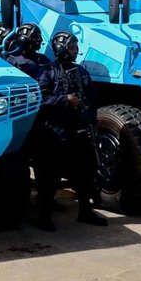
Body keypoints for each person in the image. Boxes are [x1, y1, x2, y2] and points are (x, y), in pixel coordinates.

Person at [33, 31, 107, 231]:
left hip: (79, 132)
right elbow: (41, 100)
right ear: (61, 49)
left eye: (75, 47)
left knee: (85, 175)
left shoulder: (81, 71)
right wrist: (65, 100)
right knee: (50, 178)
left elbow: (92, 98)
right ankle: (44, 216)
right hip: (55, 134)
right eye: (72, 47)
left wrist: (91, 119)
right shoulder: (48, 72)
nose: (76, 51)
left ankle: (85, 212)